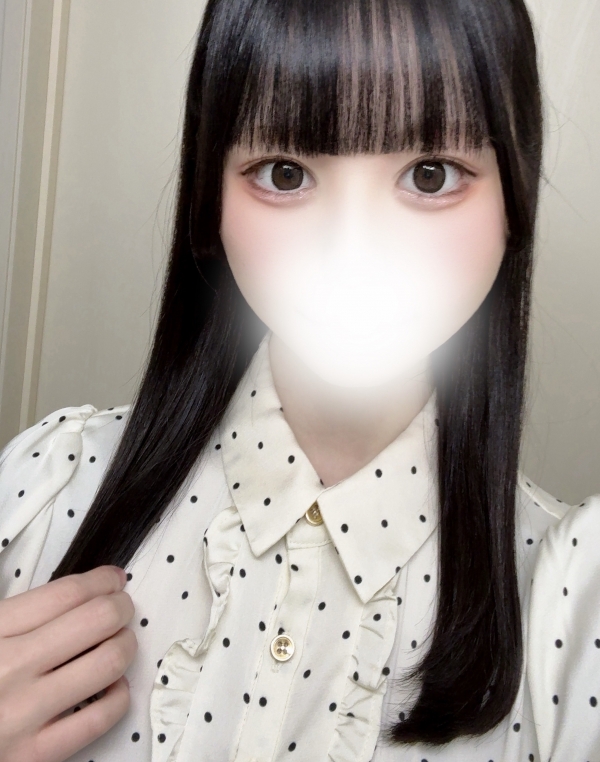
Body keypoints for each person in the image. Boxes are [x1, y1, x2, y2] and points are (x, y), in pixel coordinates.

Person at [0, 0, 598, 760]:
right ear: (210, 202)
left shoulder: (572, 606)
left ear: (513, 204)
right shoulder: (44, 490)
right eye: (286, 173)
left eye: (430, 174)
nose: (354, 251)